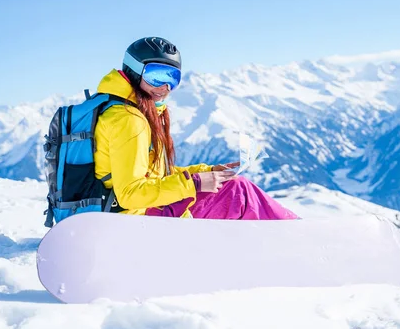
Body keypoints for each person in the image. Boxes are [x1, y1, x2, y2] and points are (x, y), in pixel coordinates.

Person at [92, 36, 298, 220]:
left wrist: (207, 172)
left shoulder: (120, 109)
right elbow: (130, 194)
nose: (165, 87)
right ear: (134, 72)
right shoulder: (129, 120)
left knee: (235, 187)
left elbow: (152, 176)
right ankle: (297, 234)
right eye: (157, 75)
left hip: (131, 210)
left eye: (173, 78)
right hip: (133, 216)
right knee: (238, 193)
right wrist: (195, 184)